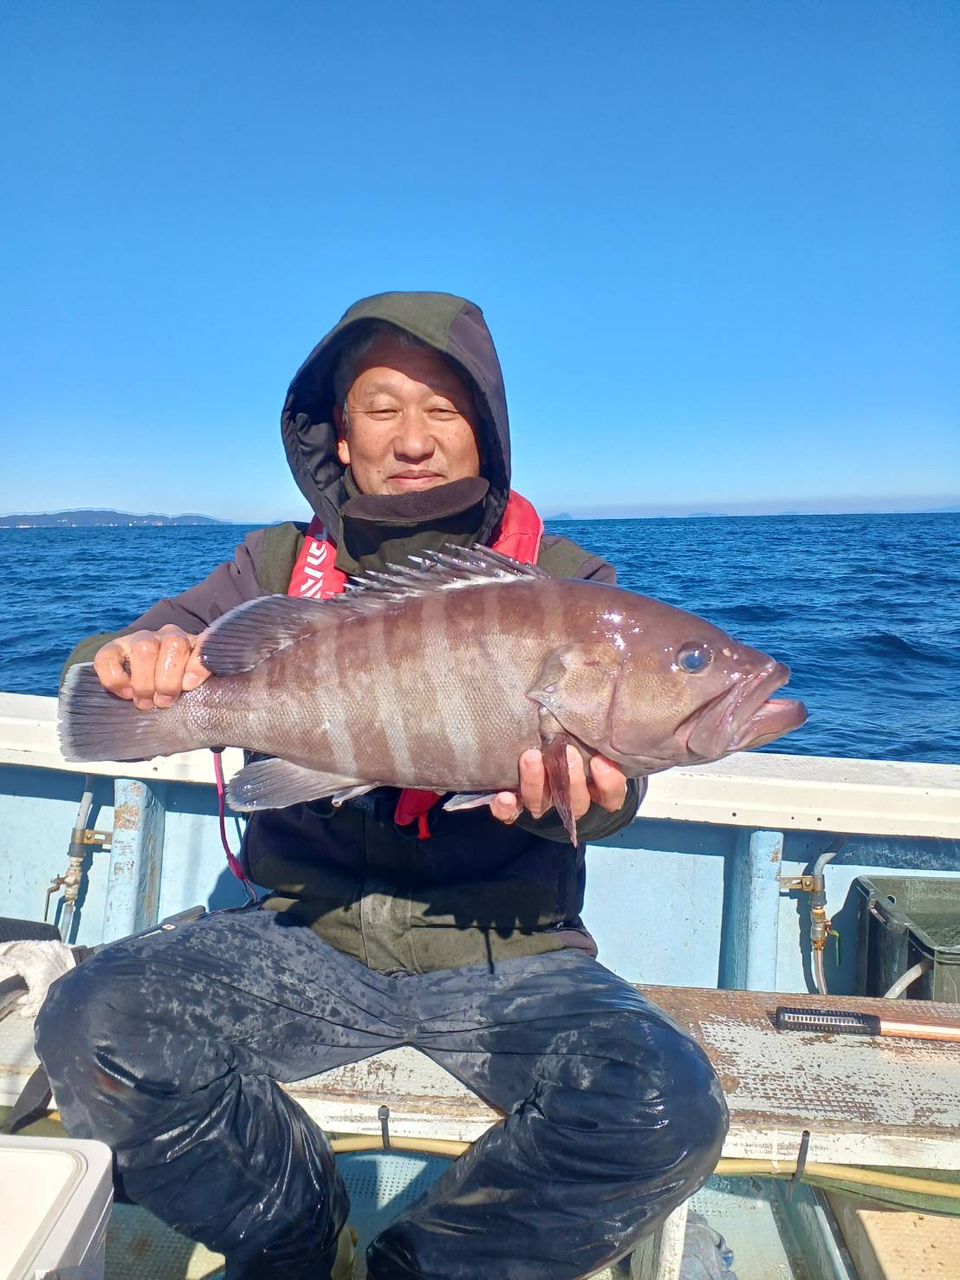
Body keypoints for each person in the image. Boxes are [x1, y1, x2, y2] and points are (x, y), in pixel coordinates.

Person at [36, 292, 727, 1280]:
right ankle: (301, 1241)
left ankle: (418, 1268)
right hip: (297, 933)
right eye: (383, 407)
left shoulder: (569, 584)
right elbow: (106, 666)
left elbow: (623, 791)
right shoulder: (275, 564)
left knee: (665, 1106)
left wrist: (593, 797)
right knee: (94, 1021)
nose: (413, 437)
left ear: (486, 433)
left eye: (444, 408)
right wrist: (129, 659)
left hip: (508, 952)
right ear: (339, 436)